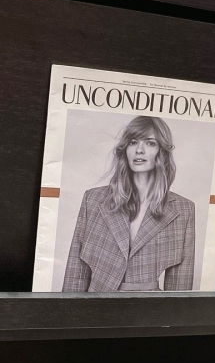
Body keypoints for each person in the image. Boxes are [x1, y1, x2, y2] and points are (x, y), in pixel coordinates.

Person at [62, 116, 195, 292]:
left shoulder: (183, 209)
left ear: (161, 151)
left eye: (150, 143)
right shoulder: (93, 199)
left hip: (148, 307)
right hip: (96, 303)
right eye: (133, 142)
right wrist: (69, 308)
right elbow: (76, 270)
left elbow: (180, 287)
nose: (139, 150)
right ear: (125, 149)